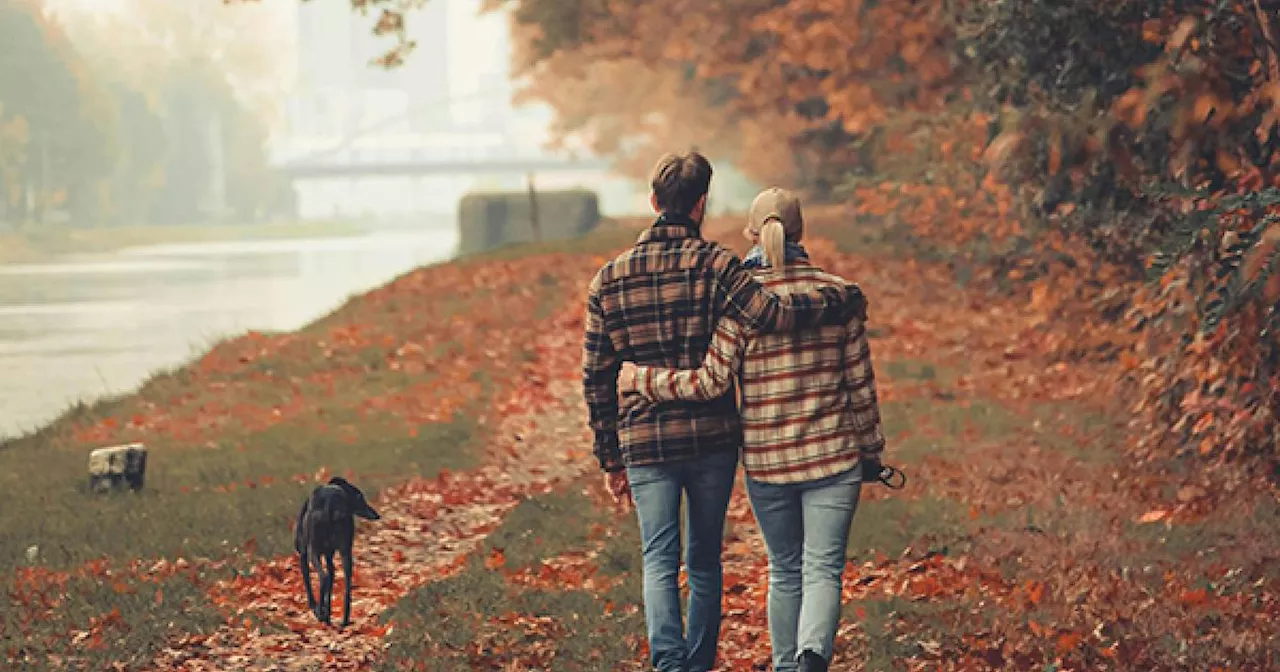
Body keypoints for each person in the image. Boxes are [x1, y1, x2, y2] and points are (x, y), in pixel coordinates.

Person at [581, 153, 865, 672]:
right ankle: (704, 657)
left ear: (652, 202)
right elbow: (775, 315)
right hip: (711, 438)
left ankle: (670, 662)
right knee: (705, 561)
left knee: (658, 559)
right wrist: (838, 303)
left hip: (645, 442)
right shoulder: (718, 266)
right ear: (702, 204)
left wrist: (610, 458)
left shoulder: (608, 278)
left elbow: (596, 377)